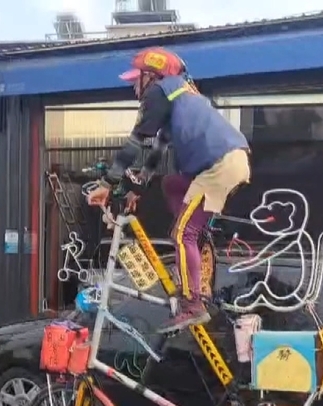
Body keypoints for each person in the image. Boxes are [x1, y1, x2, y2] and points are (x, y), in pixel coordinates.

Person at [86, 47, 251, 333]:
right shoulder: (181, 95)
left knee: (181, 234)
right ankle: (196, 242)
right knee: (171, 184)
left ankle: (192, 304)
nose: (134, 88)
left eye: (136, 80)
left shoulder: (159, 91)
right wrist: (138, 187)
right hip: (227, 161)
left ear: (152, 76)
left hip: (218, 166)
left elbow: (135, 143)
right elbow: (156, 150)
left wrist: (106, 184)